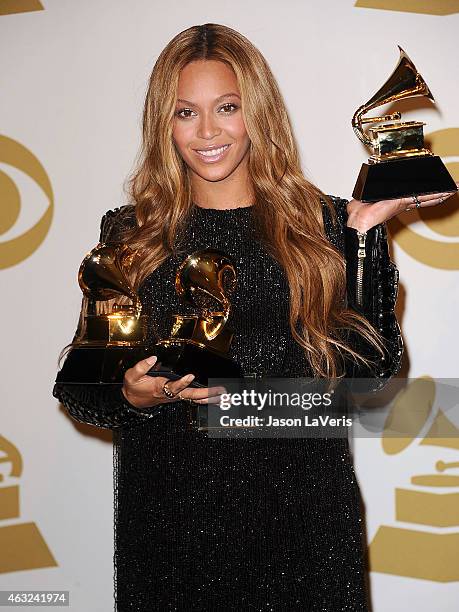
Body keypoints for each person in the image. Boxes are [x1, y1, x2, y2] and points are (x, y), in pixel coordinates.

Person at [53, 23, 456, 612]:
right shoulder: (131, 232)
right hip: (168, 530)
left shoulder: (323, 225)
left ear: (257, 112)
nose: (208, 131)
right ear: (162, 123)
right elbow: (79, 388)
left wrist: (365, 237)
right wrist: (132, 395)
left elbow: (370, 378)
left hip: (302, 522)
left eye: (228, 107)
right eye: (185, 112)